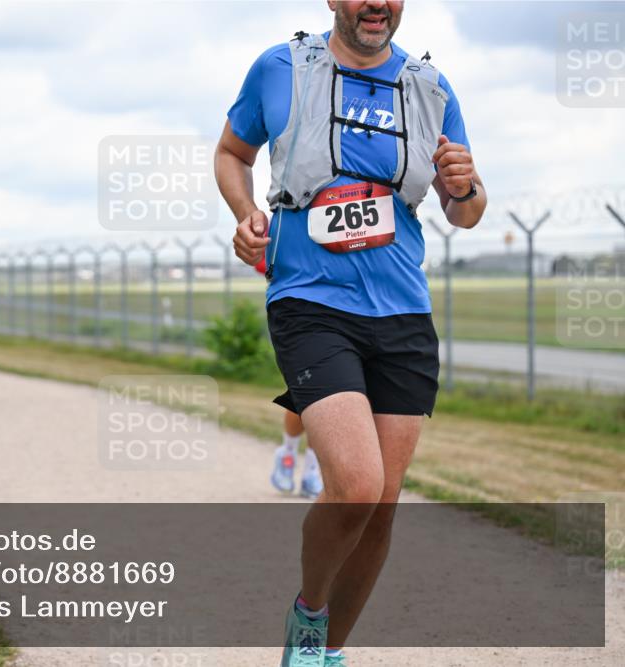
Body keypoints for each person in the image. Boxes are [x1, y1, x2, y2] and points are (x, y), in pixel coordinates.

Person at [216, 2, 486, 665]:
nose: (376, 2)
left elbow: (468, 210)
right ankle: (310, 611)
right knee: (358, 485)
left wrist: (467, 185)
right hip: (310, 301)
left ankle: (323, 652)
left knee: (383, 503)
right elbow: (231, 152)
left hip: (401, 311)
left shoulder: (429, 87)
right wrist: (248, 212)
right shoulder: (280, 68)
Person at [256, 257, 324, 498]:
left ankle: (313, 469)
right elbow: (263, 259)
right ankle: (288, 452)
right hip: (304, 305)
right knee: (310, 395)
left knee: (343, 397)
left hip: (360, 305)